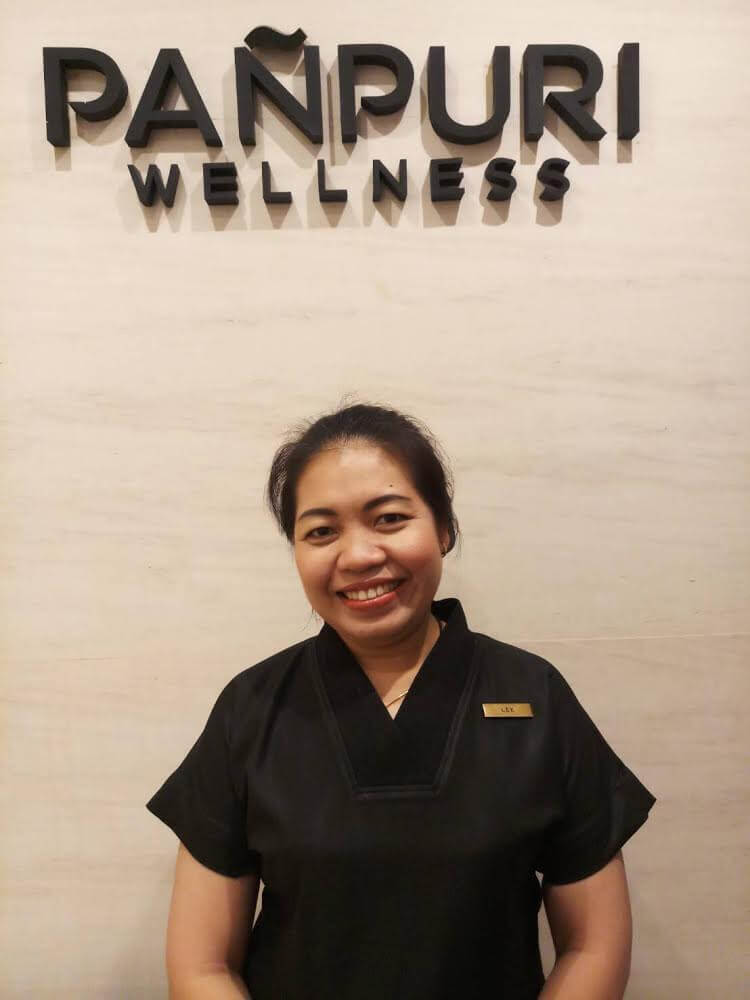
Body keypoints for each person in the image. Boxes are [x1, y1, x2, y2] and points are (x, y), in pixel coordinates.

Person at [146, 400, 656, 1000]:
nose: (359, 555)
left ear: (444, 528)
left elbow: (593, 945)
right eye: (321, 531)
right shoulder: (251, 708)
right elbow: (202, 967)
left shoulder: (535, 696)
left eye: (388, 518)